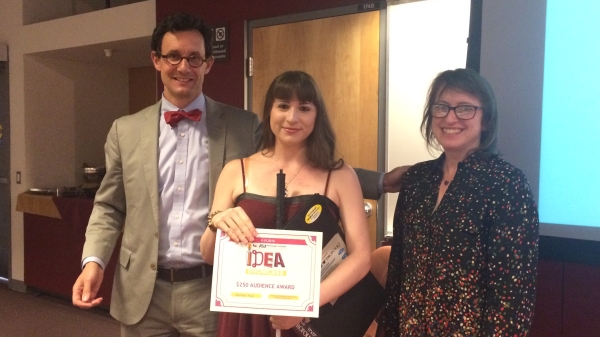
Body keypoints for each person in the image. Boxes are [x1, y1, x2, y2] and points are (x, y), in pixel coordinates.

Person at [71, 12, 404, 337]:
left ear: (208, 64)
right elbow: (109, 207)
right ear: (156, 60)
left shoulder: (243, 125)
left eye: (194, 58)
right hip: (143, 291)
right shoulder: (124, 131)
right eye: (173, 57)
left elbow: (296, 159)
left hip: (213, 288)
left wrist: (380, 181)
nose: (184, 67)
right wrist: (93, 262)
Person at [200, 70, 371, 337]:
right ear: (269, 111)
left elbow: (361, 257)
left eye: (304, 108)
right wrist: (216, 224)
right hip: (245, 316)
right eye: (283, 106)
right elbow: (210, 256)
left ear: (317, 115)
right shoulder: (236, 171)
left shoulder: (340, 176)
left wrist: (304, 304)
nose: (292, 118)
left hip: (311, 313)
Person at [378, 68, 539, 336]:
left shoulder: (507, 184)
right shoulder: (417, 179)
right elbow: (398, 273)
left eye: (465, 108)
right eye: (441, 107)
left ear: (485, 120)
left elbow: (512, 294)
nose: (450, 117)